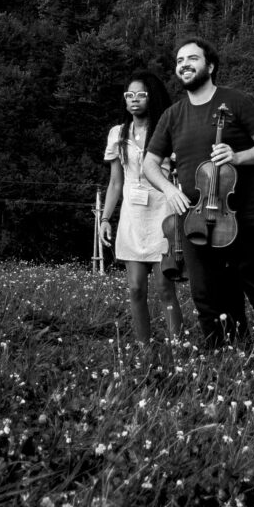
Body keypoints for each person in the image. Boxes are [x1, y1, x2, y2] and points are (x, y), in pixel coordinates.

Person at [142, 36, 254, 368]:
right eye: (179, 61)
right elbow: (149, 164)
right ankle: (227, 362)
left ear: (210, 66)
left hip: (243, 215)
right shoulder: (173, 115)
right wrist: (170, 191)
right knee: (207, 296)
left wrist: (238, 155)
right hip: (196, 218)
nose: (184, 64)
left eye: (192, 58)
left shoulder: (237, 101)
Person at [98, 76, 171, 353]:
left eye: (141, 95)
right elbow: (116, 182)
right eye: (129, 96)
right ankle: (145, 350)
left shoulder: (166, 129)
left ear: (152, 97)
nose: (134, 100)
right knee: (136, 288)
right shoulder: (118, 133)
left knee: (165, 287)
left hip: (162, 214)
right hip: (132, 216)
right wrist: (105, 219)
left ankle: (178, 350)